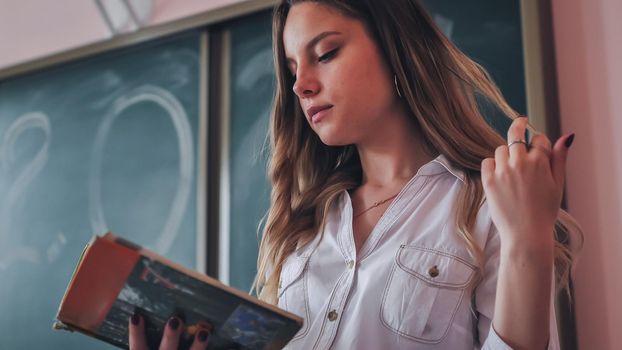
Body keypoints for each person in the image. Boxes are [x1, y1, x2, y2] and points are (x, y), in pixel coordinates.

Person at [128, 0, 583, 349]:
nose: (300, 85)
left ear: (395, 49)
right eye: (291, 70)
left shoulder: (487, 208)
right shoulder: (303, 231)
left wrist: (527, 240)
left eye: (325, 53)